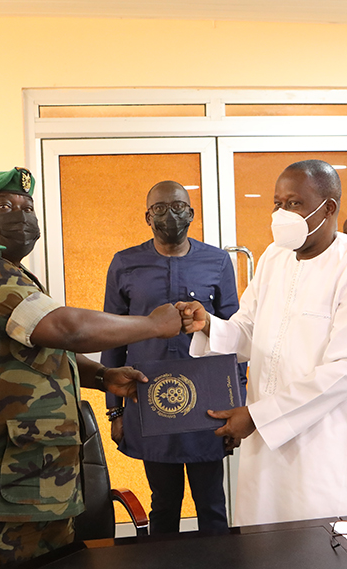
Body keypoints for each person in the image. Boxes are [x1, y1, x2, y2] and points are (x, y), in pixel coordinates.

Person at [0, 167, 183, 569]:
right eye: (4, 207)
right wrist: (153, 324)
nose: (20, 216)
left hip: (30, 487)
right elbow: (66, 329)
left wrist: (101, 377)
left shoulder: (9, 272)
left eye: (26, 207)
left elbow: (41, 347)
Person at [177, 160, 347, 527]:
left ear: (329, 208)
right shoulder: (274, 258)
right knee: (263, 548)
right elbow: (248, 330)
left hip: (326, 448)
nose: (281, 214)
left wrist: (258, 417)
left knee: (323, 551)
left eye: (294, 203)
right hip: (266, 445)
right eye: (277, 203)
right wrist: (209, 325)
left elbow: (346, 369)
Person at [102, 180, 245, 534]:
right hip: (150, 399)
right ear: (147, 217)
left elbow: (235, 336)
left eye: (179, 207)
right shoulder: (125, 264)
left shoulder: (217, 261)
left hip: (208, 403)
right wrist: (115, 411)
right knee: (164, 503)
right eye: (160, 208)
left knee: (212, 503)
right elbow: (112, 339)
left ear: (191, 214)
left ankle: (219, 568)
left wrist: (238, 404)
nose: (171, 215)